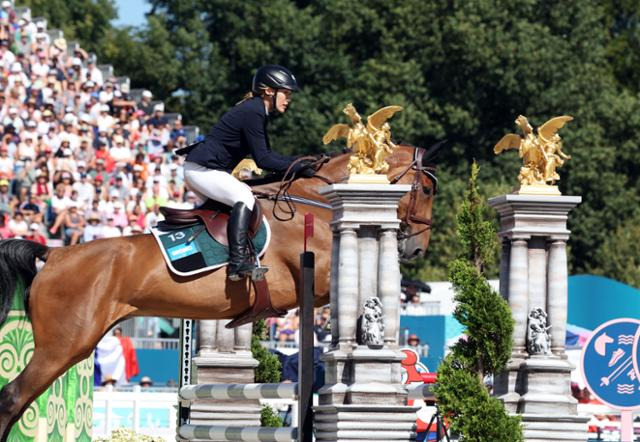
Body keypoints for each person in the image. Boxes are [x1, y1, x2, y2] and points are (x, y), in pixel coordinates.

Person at [179, 65, 315, 280]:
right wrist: (299, 164)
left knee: (236, 203)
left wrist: (300, 161)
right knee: (244, 196)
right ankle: (237, 264)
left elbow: (267, 155)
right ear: (269, 91)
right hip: (202, 170)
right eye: (286, 93)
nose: (288, 99)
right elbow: (264, 160)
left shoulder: (257, 110)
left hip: (204, 169)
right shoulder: (253, 111)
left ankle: (220, 258)